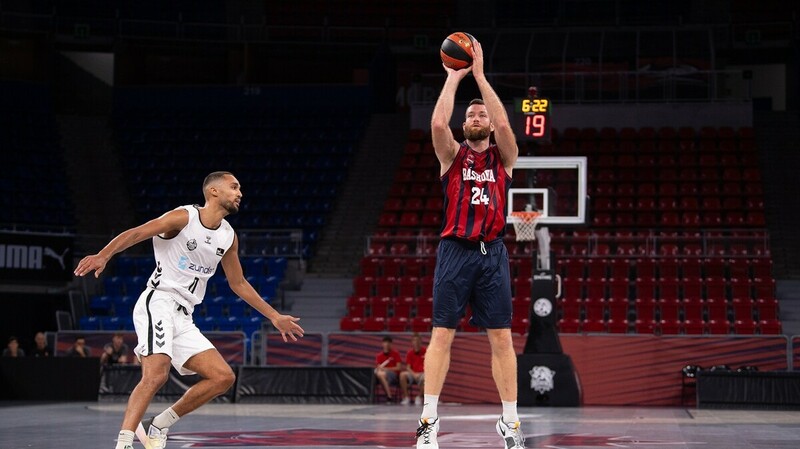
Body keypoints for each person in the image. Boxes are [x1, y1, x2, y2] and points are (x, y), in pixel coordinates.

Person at [74, 171, 304, 449]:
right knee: (156, 374)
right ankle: (123, 443)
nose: (240, 193)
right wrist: (104, 254)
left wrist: (274, 316)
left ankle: (159, 424)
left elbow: (238, 282)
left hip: (184, 315)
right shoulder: (183, 217)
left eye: (240, 188)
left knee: (223, 377)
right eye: (234, 187)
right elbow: (138, 232)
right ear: (214, 192)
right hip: (158, 301)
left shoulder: (229, 236)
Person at [415, 38, 525, 449]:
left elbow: (508, 129)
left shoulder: (504, 156)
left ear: (491, 123)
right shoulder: (453, 157)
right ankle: (429, 421)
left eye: (483, 113)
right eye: (471, 113)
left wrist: (480, 76)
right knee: (442, 334)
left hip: (493, 253)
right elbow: (439, 125)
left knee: (502, 338)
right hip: (455, 252)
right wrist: (454, 77)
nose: (476, 116)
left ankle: (510, 422)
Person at [374, 336, 403, 402]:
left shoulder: (395, 354)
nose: (386, 345)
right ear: (382, 344)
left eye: (388, 343)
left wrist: (386, 369)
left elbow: (398, 368)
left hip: (393, 375)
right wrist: (381, 369)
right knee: (380, 374)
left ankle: (389, 396)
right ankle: (389, 396)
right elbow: (378, 367)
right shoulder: (379, 356)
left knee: (380, 374)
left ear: (391, 344)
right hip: (382, 375)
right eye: (385, 343)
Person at [401, 333, 426, 406]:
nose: (416, 342)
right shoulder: (410, 353)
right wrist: (414, 374)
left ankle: (419, 397)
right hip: (413, 373)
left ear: (420, 341)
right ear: (412, 342)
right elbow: (408, 367)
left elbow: (429, 366)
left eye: (418, 340)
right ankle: (406, 397)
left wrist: (422, 373)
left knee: (427, 377)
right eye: (414, 341)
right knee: (402, 375)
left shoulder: (426, 351)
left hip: (423, 373)